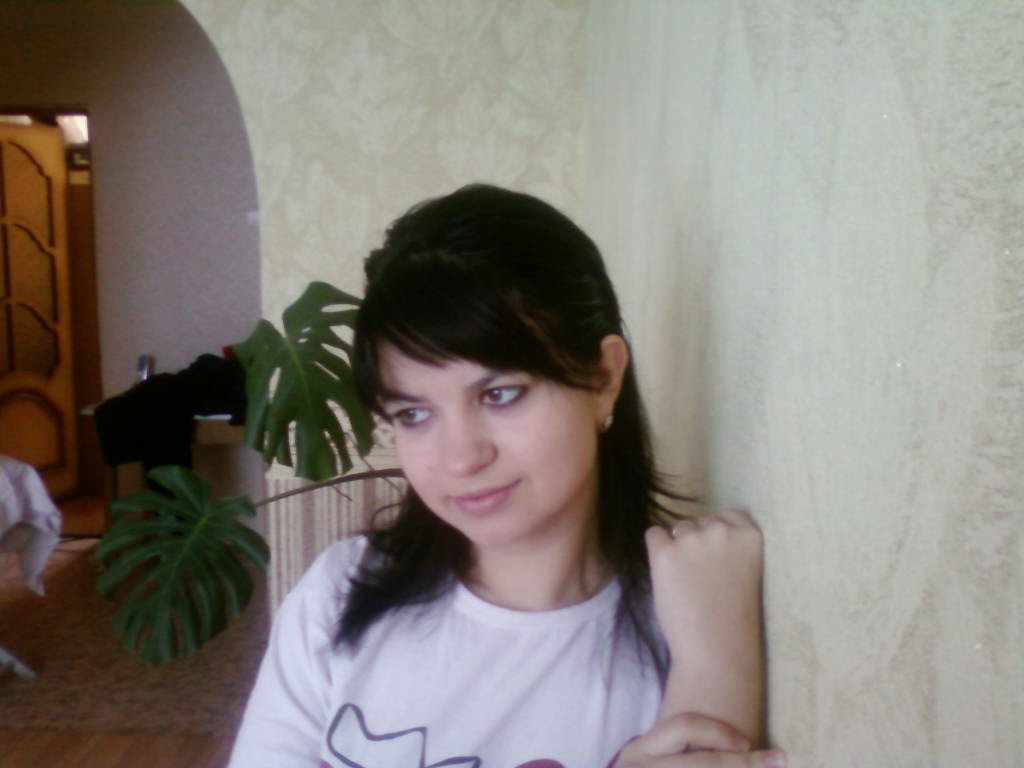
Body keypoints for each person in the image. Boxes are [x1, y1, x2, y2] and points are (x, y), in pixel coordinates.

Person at [229, 185, 783, 768]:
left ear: (604, 378)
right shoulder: (339, 594)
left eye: (499, 394)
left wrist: (714, 662)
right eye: (413, 414)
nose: (460, 459)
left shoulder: (687, 616)